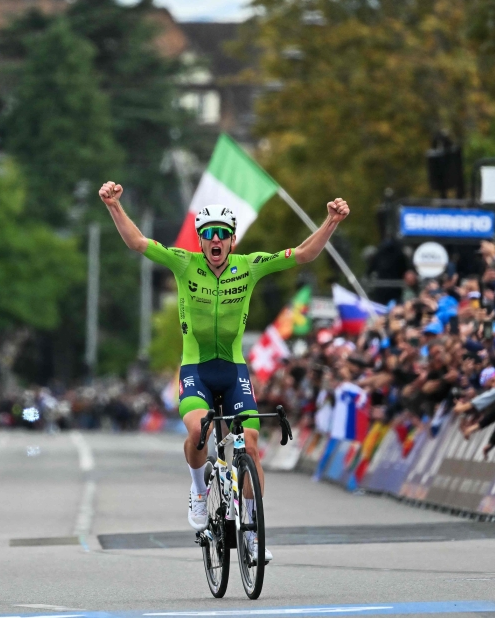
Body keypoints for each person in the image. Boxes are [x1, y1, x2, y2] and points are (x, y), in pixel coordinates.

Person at [99, 181, 350, 563]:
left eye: (223, 234)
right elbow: (138, 243)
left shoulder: (249, 266)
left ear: (232, 240)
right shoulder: (184, 263)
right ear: (201, 241)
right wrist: (115, 205)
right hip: (195, 368)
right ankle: (199, 491)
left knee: (250, 444)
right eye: (209, 235)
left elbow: (302, 254)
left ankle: (251, 530)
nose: (216, 240)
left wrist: (331, 221)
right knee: (200, 431)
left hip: (233, 370)